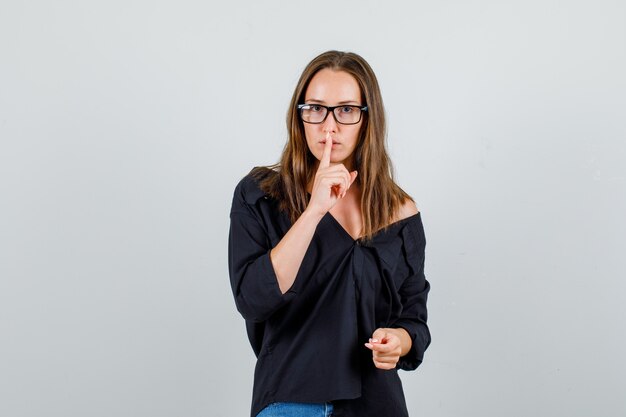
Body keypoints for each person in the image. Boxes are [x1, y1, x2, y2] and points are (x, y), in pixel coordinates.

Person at [228, 50, 431, 417]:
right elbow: (253, 300)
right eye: (316, 109)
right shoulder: (262, 194)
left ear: (367, 120)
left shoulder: (400, 212)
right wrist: (314, 209)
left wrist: (398, 342)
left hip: (377, 404)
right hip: (292, 402)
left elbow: (414, 317)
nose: (329, 126)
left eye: (347, 110)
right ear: (300, 116)